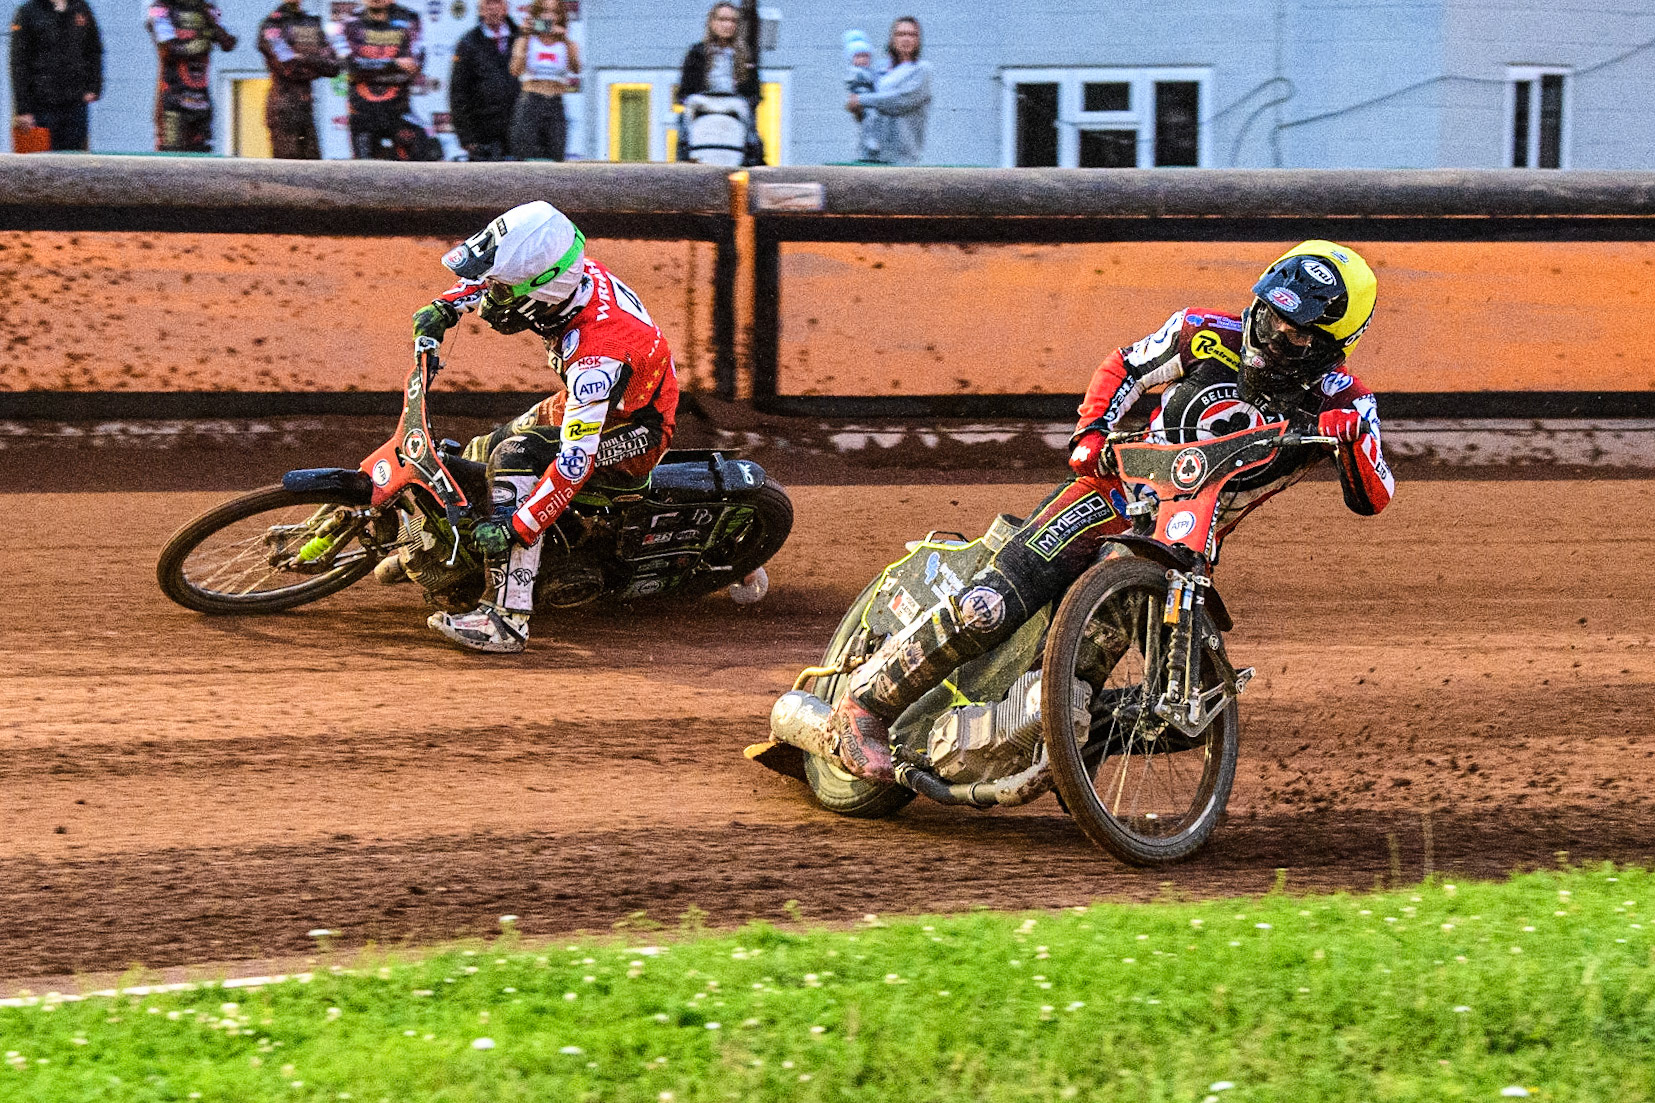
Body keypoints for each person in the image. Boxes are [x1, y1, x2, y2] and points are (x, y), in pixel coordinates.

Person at [826, 242, 1396, 780]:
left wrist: (1350, 442)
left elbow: (1376, 495)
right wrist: (1091, 431)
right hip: (1111, 495)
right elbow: (1124, 366)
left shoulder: (1347, 402)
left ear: (1330, 349)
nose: (1273, 338)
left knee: (1188, 710)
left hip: (1184, 545)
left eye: (1296, 337)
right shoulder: (1201, 331)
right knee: (988, 606)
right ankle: (861, 709)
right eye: (1270, 318)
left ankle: (1053, 743)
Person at [401, 201, 680, 654]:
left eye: (502, 292)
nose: (491, 298)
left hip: (635, 430)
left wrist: (518, 527)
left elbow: (574, 465)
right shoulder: (568, 273)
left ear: (542, 291)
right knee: (479, 449)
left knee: (513, 460)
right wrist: (447, 306)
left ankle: (507, 618)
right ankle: (454, 552)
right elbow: (491, 278)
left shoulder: (596, 355)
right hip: (595, 401)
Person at [334, 0, 437, 160]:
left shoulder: (410, 19)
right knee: (365, 176)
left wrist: (369, 68)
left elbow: (414, 66)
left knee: (422, 158)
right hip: (362, 115)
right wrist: (394, 63)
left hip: (398, 112)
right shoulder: (349, 23)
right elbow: (350, 66)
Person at [8, 0, 102, 152]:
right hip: (41, 106)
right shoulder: (28, 12)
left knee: (75, 163)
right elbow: (19, 63)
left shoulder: (80, 8)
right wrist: (23, 109)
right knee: (41, 165)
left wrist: (94, 87)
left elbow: (94, 50)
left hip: (75, 104)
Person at [674, 1, 760, 166]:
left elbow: (754, 91)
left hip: (734, 103)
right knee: (684, 118)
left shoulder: (746, 55)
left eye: (732, 21)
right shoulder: (697, 52)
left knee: (749, 125)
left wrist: (749, 100)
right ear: (712, 22)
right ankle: (684, 158)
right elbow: (685, 90)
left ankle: (752, 158)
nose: (727, 25)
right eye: (722, 19)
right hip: (703, 102)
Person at [146, 1, 237, 153]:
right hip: (173, 100)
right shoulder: (161, 9)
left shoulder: (207, 9)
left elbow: (228, 43)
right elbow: (166, 50)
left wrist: (211, 24)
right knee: (170, 160)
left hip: (201, 101)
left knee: (202, 161)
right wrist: (199, 44)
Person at [257, 0, 341, 160]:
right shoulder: (272, 24)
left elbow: (334, 66)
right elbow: (287, 65)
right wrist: (315, 62)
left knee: (313, 170)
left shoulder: (311, 23)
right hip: (283, 108)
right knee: (287, 171)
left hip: (307, 109)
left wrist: (300, 56)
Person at [845, 15, 931, 166]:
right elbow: (865, 112)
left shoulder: (921, 70)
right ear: (892, 39)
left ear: (918, 40)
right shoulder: (879, 69)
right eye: (901, 34)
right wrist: (856, 108)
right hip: (871, 156)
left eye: (912, 34)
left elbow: (899, 101)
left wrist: (861, 100)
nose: (906, 38)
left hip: (903, 159)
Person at [448, 0, 518, 161]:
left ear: (506, 7)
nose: (493, 8)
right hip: (482, 135)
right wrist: (466, 137)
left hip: (517, 131)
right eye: (488, 4)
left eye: (497, 3)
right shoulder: (468, 43)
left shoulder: (521, 39)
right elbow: (458, 92)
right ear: (480, 9)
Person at [507, 0, 578, 161]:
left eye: (555, 12)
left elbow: (576, 68)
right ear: (537, 15)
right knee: (525, 156)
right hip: (531, 100)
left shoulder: (567, 43)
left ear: (560, 16)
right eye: (545, 11)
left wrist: (565, 38)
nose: (550, 16)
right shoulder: (526, 40)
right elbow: (515, 70)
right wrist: (525, 36)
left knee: (556, 157)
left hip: (555, 102)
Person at [841, 28, 878, 162]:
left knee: (873, 119)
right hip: (862, 100)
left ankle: (870, 142)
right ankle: (868, 143)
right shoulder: (855, 72)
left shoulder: (870, 71)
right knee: (868, 120)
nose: (862, 60)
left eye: (865, 56)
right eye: (858, 56)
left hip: (870, 101)